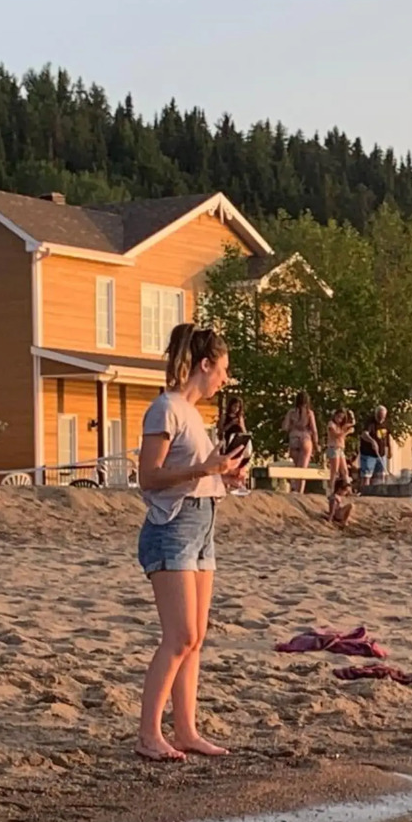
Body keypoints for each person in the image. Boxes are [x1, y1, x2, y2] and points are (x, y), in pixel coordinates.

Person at [135, 323, 248, 762]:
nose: (225, 378)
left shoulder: (191, 412)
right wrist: (203, 470)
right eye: (223, 369)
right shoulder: (165, 409)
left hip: (203, 523)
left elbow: (199, 470)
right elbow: (148, 477)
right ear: (204, 365)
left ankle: (185, 729)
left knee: (196, 637)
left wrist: (225, 474)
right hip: (173, 526)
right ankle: (148, 734)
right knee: (179, 636)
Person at [281, 391, 319, 493]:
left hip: (294, 438)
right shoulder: (309, 413)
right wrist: (316, 444)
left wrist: (293, 427)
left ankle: (294, 487)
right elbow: (314, 430)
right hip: (306, 438)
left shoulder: (291, 412)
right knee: (303, 468)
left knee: (296, 465)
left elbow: (284, 427)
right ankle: (300, 491)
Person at [359, 406, 391, 490]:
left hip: (381, 454)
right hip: (369, 454)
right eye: (379, 416)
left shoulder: (386, 423)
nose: (381, 419)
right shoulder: (370, 422)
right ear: (376, 414)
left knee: (380, 475)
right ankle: (365, 491)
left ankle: (378, 492)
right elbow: (364, 434)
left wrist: (389, 449)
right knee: (367, 475)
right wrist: (372, 441)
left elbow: (387, 437)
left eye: (383, 417)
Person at [326, 407, 355, 487]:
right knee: (334, 470)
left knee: (345, 470)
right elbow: (336, 435)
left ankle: (347, 488)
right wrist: (347, 432)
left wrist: (351, 414)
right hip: (333, 448)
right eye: (338, 417)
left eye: (342, 418)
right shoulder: (331, 424)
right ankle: (331, 487)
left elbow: (353, 423)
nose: (339, 419)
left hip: (340, 448)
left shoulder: (341, 426)